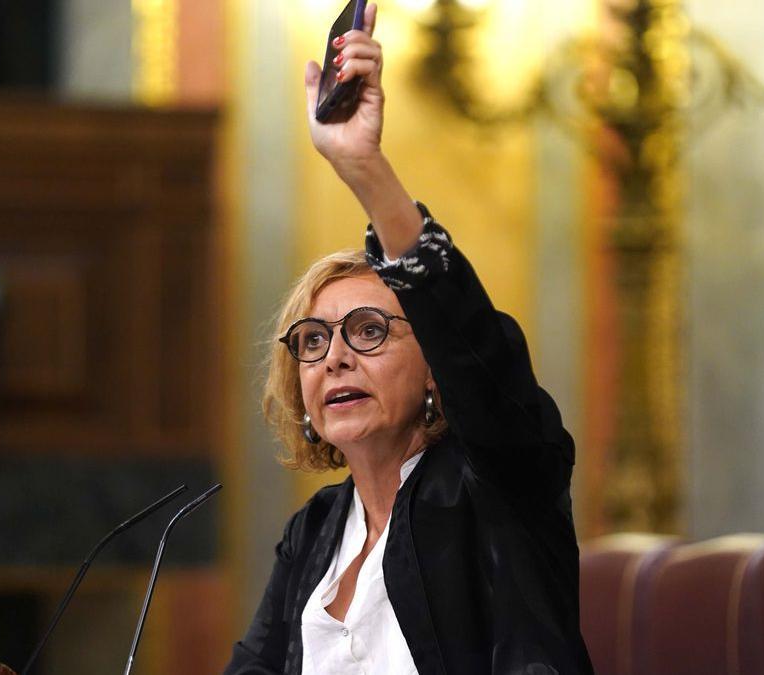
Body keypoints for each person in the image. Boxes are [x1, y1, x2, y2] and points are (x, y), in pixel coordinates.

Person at [225, 4, 594, 673]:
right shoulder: (313, 535)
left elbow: (478, 350)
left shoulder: (498, 485)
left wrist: (365, 168)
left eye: (367, 331)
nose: (333, 355)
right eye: (311, 341)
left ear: (436, 369)